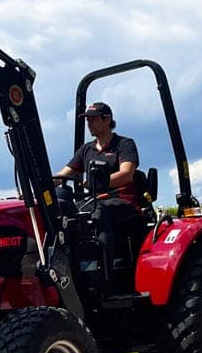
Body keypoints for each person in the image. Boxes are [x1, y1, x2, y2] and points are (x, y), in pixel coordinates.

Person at [53, 102, 143, 267]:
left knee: (98, 213)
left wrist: (98, 182)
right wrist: (40, 187)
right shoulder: (87, 149)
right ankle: (68, 266)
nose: (89, 124)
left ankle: (104, 272)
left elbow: (126, 174)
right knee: (66, 210)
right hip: (94, 200)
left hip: (123, 200)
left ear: (107, 119)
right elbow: (63, 175)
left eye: (93, 120)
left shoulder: (124, 144)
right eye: (87, 120)